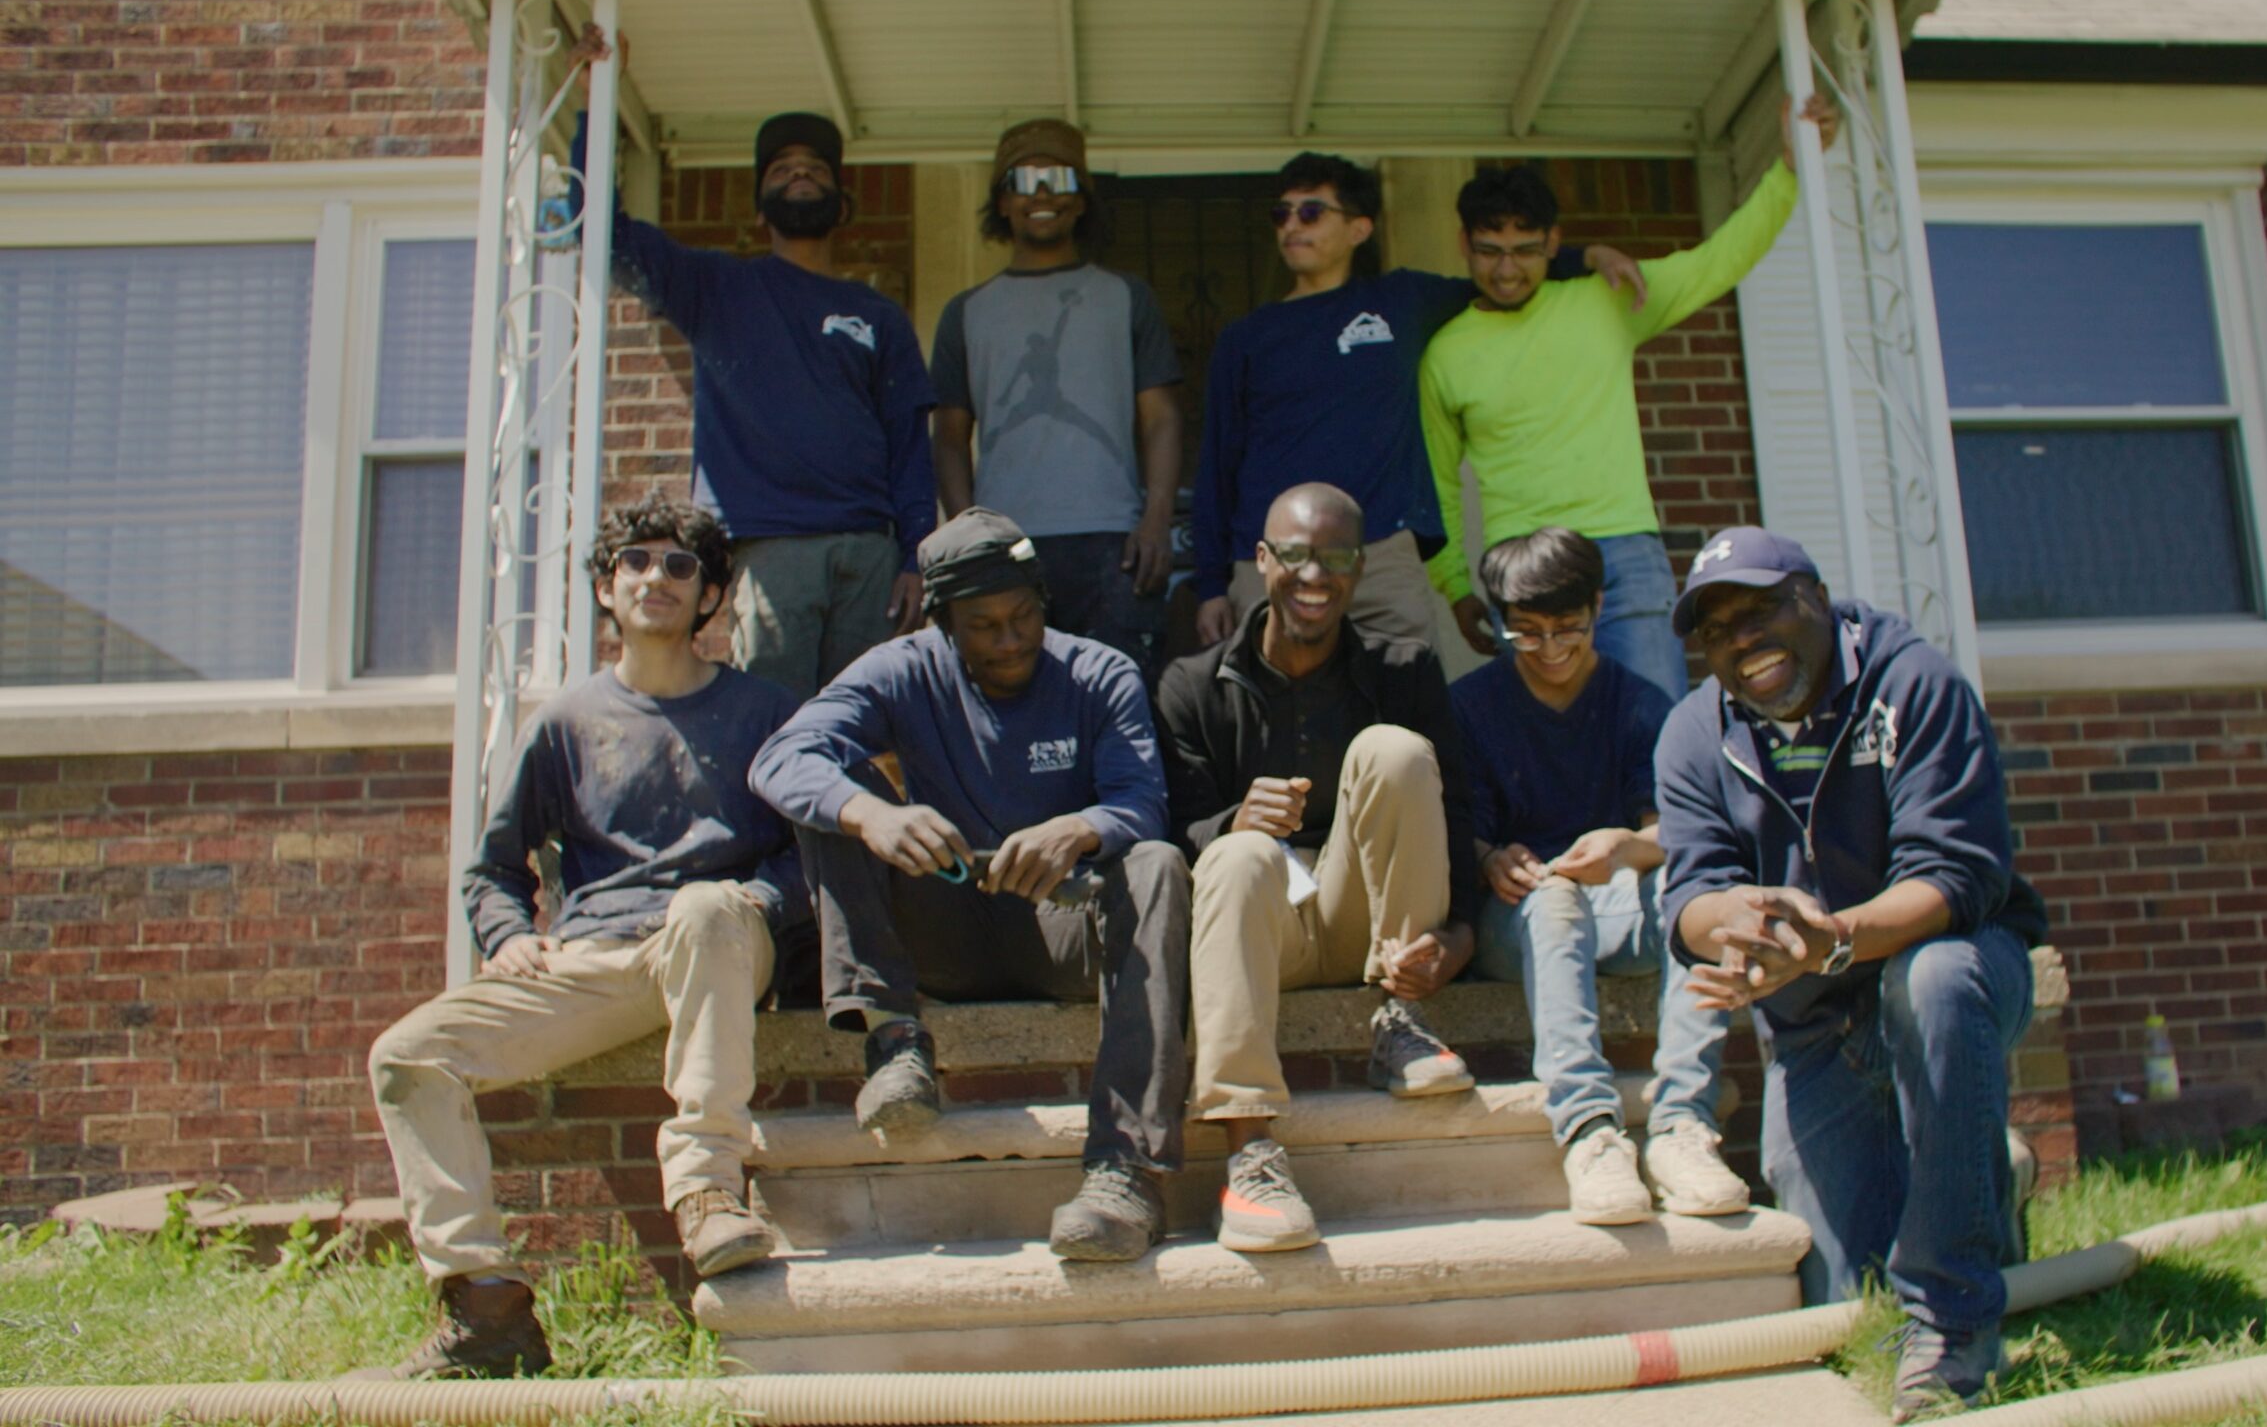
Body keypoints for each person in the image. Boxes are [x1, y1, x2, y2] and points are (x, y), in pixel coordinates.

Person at [363, 496, 804, 1379]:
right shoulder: (566, 723)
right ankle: (484, 1305)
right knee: (406, 1056)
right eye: (636, 562)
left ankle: (708, 1186)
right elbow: (493, 867)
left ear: (712, 595)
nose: (657, 579)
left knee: (706, 909)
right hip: (598, 958)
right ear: (607, 587)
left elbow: (811, 860)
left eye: (682, 566)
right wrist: (504, 933)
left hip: (718, 943)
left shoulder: (764, 712)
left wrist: (756, 899)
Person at [1654, 526, 2046, 1422]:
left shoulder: (1914, 685)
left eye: (1761, 612)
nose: (1741, 641)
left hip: (1952, 973)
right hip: (1813, 1023)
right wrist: (1742, 926)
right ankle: (1988, 1177)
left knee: (1934, 981)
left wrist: (1826, 938)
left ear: (1818, 599)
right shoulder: (1692, 733)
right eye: (1716, 631)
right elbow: (1689, 898)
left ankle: (1954, 1321)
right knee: (1849, 1292)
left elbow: (1957, 879)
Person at [748, 508, 1190, 1263]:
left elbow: (1142, 802)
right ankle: (894, 1044)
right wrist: (870, 815)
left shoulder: (1097, 672)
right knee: (833, 794)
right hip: (941, 928)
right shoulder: (900, 668)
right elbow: (780, 757)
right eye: (985, 626)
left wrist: (1081, 827)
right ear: (943, 623)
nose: (1012, 640)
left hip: (1063, 926)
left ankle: (1126, 1173)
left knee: (1157, 863)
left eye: (1024, 616)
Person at [1418, 97, 1839, 704]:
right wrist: (1455, 585)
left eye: (1525, 250)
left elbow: (1718, 262)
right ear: (1463, 244)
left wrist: (1790, 171)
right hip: (1522, 559)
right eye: (1489, 250)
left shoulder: (1604, 301)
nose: (1507, 269)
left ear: (1553, 242)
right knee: (1554, 743)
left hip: (1626, 552)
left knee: (1656, 726)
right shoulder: (1446, 352)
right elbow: (1440, 486)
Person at [1157, 482, 1479, 1254]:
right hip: (1257, 935)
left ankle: (1399, 1021)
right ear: (1261, 561)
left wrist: (1461, 936)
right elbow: (1163, 834)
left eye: (1335, 557)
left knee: (1396, 751)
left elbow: (1458, 811)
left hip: (1365, 922)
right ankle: (1249, 1149)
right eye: (1296, 555)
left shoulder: (1402, 671)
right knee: (1234, 853)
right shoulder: (1192, 686)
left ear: (1359, 568)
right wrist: (1231, 819)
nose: (1315, 576)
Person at [568, 29, 935, 698]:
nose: (802, 174)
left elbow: (911, 445)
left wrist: (915, 556)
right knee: (776, 731)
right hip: (771, 552)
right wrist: (598, 93)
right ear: (761, 198)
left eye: (818, 168)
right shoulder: (716, 289)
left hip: (869, 553)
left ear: (841, 201)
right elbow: (600, 232)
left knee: (871, 732)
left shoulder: (875, 314)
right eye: (784, 167)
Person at [1189, 153, 1643, 649]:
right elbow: (1217, 465)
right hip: (1274, 559)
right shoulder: (1245, 339)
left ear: (1359, 229)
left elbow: (1502, 277)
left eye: (1312, 212)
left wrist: (1587, 256)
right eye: (1283, 213)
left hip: (1381, 555)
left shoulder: (1401, 301)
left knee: (1401, 715)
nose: (1292, 225)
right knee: (1278, 718)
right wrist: (1211, 586)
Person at [1451, 528, 1746, 1226]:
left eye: (1569, 629)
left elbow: (1679, 832)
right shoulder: (1469, 706)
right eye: (1526, 634)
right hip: (1513, 920)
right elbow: (1452, 830)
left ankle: (1680, 1127)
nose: (1551, 649)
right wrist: (1489, 856)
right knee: (1553, 899)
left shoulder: (1642, 704)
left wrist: (1627, 847)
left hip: (1615, 907)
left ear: (1599, 607)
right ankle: (1589, 1132)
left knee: (1698, 894)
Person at [932, 118, 1183, 670]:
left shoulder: (1126, 296)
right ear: (1002, 201)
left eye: (1059, 178)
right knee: (1009, 719)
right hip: (1004, 547)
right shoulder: (965, 312)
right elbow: (948, 436)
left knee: (1120, 709)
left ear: (1082, 198)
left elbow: (1161, 419)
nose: (1042, 194)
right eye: (1025, 180)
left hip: (1115, 544)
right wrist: (966, 537)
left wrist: (1156, 521)